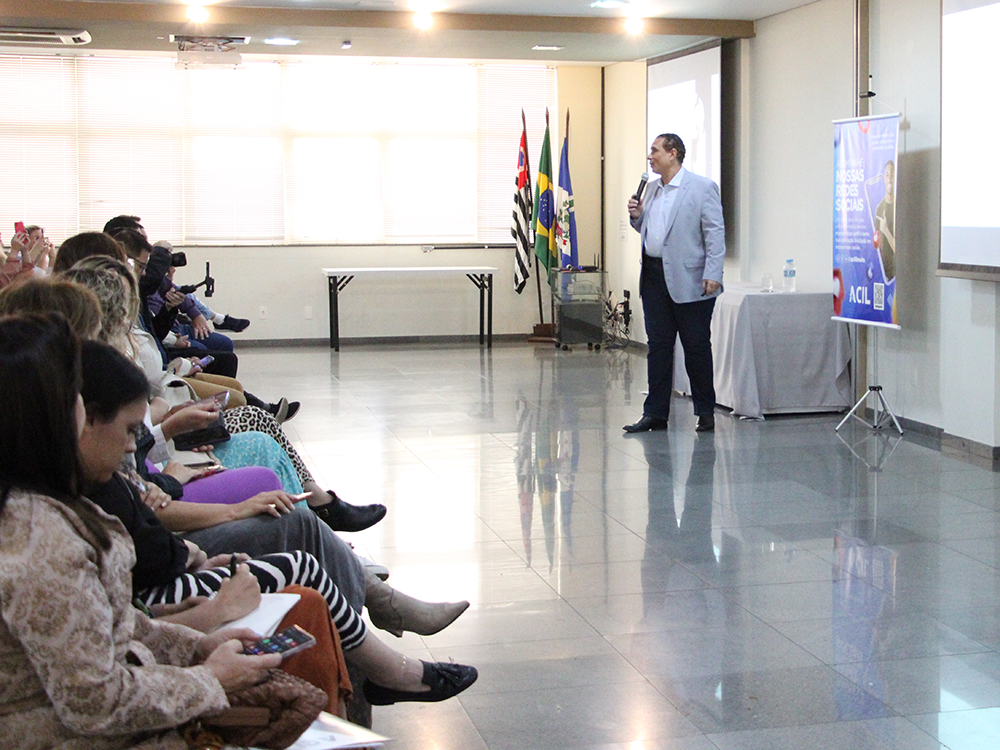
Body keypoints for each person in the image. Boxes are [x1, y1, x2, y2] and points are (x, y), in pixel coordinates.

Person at [77, 337, 478, 706]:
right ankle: (364, 592)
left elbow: (143, 475)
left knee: (258, 433)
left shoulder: (106, 393)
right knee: (283, 510)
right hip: (169, 500)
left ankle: (341, 546)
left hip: (169, 488)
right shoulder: (88, 476)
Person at [0, 312, 281, 749]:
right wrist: (209, 679)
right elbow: (95, 700)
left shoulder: (41, 506)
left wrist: (193, 648)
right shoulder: (41, 539)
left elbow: (103, 625)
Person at [624, 133, 725, 434]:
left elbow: (715, 233)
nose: (650, 156)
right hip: (654, 277)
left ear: (672, 153)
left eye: (654, 150)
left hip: (691, 279)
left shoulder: (702, 188)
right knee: (658, 347)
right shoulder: (652, 189)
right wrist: (637, 217)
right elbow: (651, 230)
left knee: (696, 347)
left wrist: (714, 273)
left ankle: (705, 411)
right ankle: (655, 413)